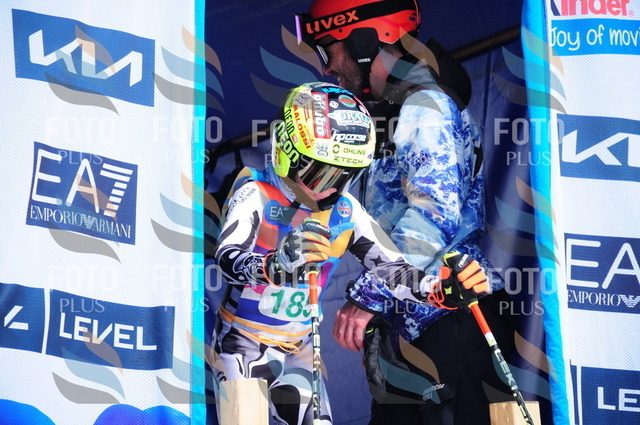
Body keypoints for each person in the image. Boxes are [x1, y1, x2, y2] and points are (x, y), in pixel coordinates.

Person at [211, 82, 489, 425]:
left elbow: (394, 271)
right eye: (320, 173)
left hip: (298, 348)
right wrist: (274, 265)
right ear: (287, 151)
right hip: (242, 342)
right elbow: (228, 258)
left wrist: (439, 289)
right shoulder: (256, 193)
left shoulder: (344, 210)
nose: (329, 188)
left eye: (344, 176)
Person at [298, 1, 517, 424]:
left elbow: (434, 214)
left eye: (329, 48)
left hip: (451, 316)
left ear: (364, 41)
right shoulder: (391, 113)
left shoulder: (425, 106)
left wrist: (368, 298)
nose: (327, 67)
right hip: (416, 325)